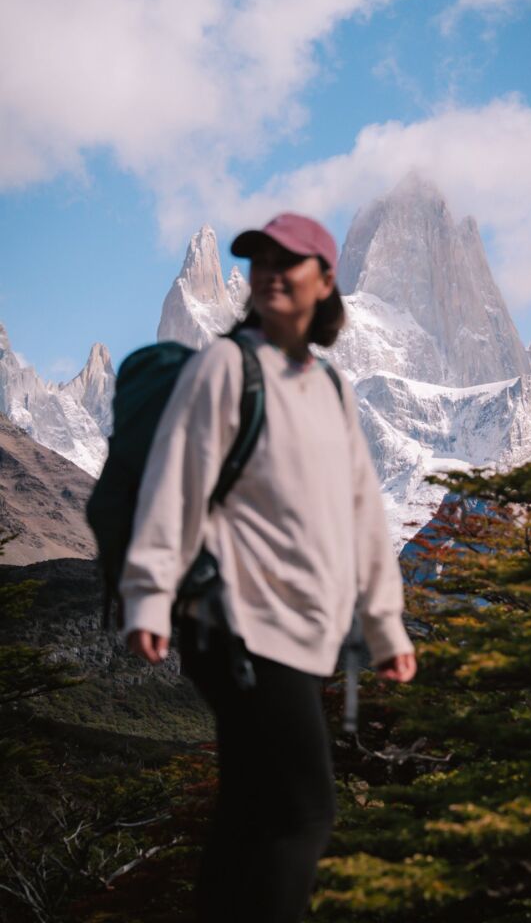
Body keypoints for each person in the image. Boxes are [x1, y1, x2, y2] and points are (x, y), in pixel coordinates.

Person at [120, 212, 417, 923]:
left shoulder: (333, 391)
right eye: (260, 259)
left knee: (251, 814)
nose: (273, 271)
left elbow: (362, 517)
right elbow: (175, 484)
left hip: (302, 631)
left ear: (326, 280)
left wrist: (386, 625)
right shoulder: (227, 366)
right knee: (306, 811)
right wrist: (149, 597)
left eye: (291, 260)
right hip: (236, 623)